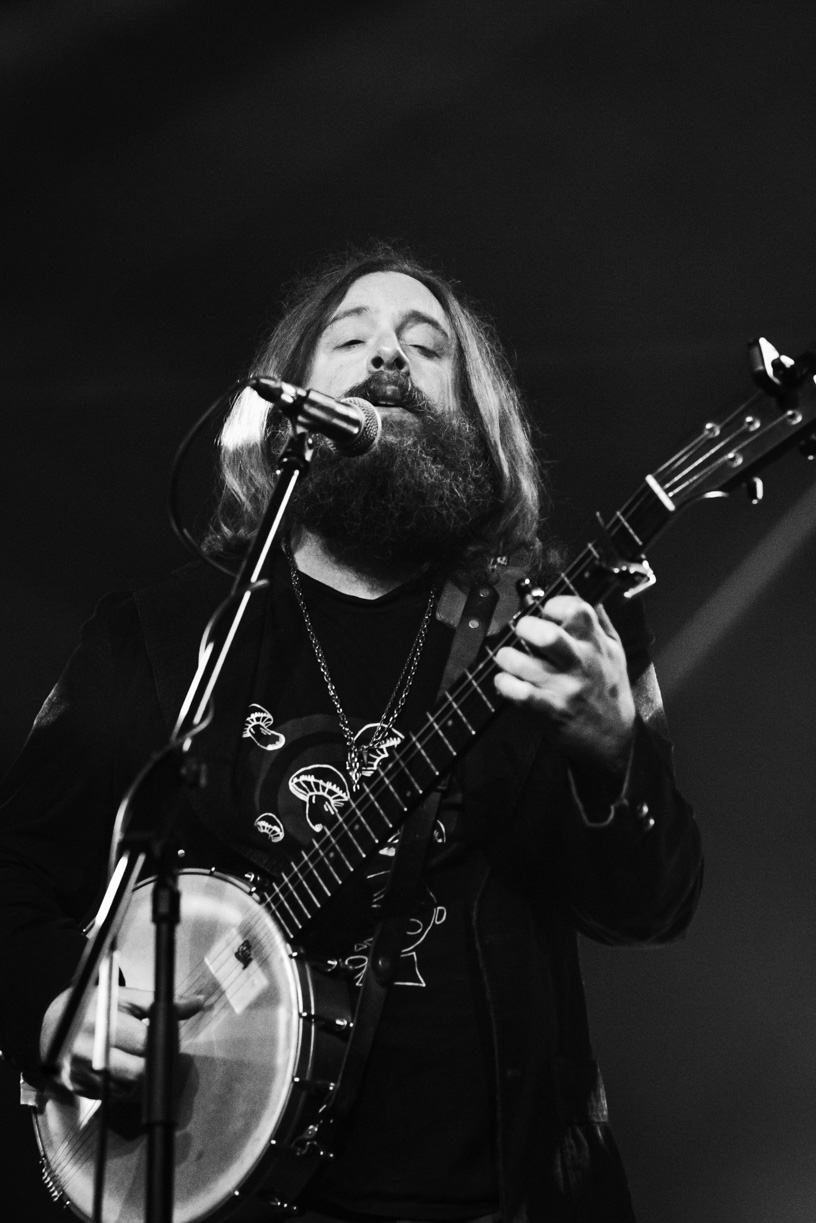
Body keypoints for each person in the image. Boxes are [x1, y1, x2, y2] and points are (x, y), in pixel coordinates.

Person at [0, 243, 702, 1223]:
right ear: (289, 404)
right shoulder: (162, 634)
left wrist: (610, 748)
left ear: (477, 419)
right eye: (350, 338)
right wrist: (55, 1010)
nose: (387, 358)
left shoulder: (558, 630)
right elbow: (18, 872)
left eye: (426, 345)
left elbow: (654, 904)